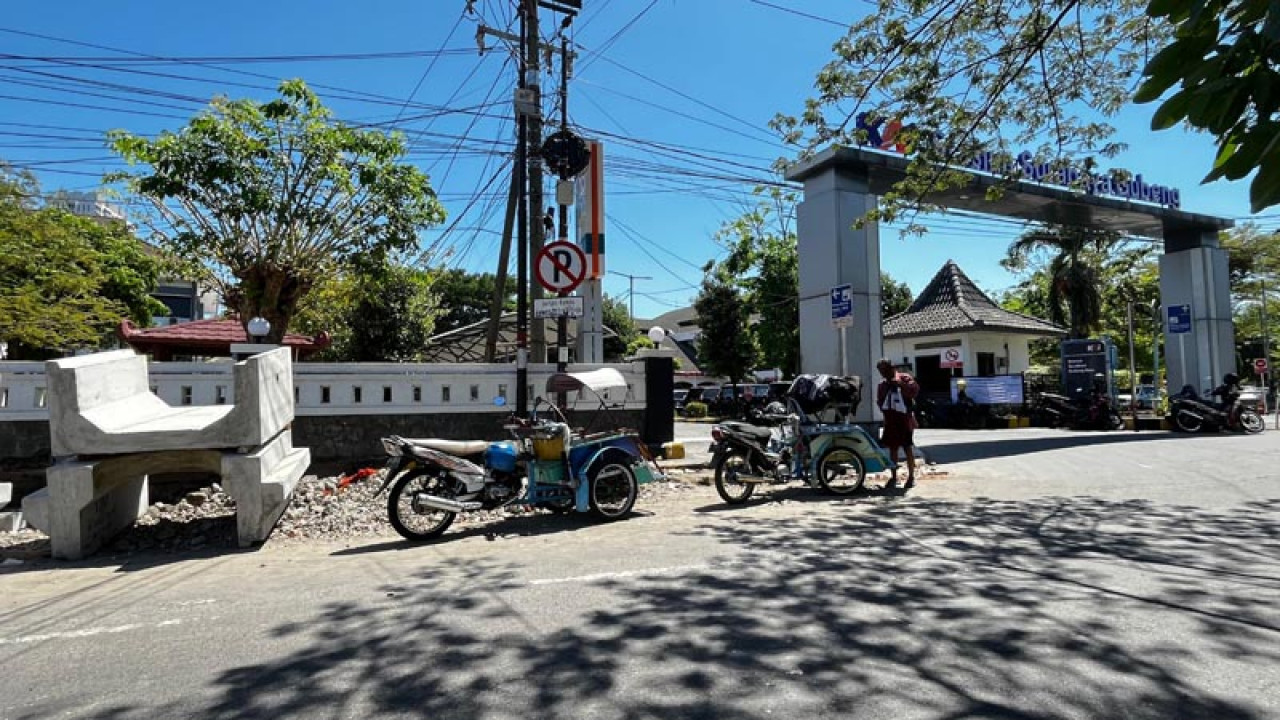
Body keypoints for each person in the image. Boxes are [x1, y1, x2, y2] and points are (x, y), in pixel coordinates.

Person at [876, 358, 920, 488]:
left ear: (892, 367)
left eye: (885, 370)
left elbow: (914, 391)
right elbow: (880, 401)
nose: (883, 373)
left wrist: (901, 384)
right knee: (893, 448)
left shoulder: (905, 378)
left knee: (907, 447)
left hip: (905, 419)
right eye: (881, 371)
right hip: (891, 420)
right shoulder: (882, 385)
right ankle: (894, 477)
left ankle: (911, 476)